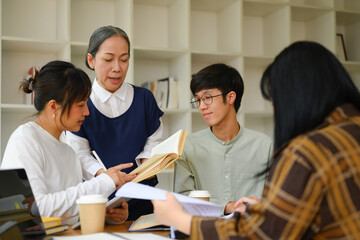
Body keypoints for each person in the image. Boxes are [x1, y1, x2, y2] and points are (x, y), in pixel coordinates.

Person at [152, 41, 360, 239]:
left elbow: (262, 233)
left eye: (276, 98)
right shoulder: (350, 131)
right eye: (198, 100)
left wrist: (179, 219)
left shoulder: (305, 152)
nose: (274, 109)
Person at [0, 60, 136, 225]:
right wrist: (104, 181)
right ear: (53, 107)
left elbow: (67, 213)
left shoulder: (69, 151)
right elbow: (39, 209)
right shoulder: (25, 139)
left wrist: (104, 214)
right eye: (81, 105)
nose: (87, 112)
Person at [65, 25, 164, 220]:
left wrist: (145, 167)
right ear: (91, 60)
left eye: (124, 60)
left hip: (144, 199)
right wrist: (107, 176)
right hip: (100, 203)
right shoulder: (80, 103)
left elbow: (155, 141)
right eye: (108, 59)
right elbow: (79, 154)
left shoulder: (144, 98)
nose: (117, 68)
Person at [174, 63, 273, 214]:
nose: (201, 106)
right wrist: (227, 206)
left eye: (207, 98)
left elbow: (276, 199)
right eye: (198, 100)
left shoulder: (265, 146)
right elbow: (182, 198)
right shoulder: (187, 147)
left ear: (231, 97)